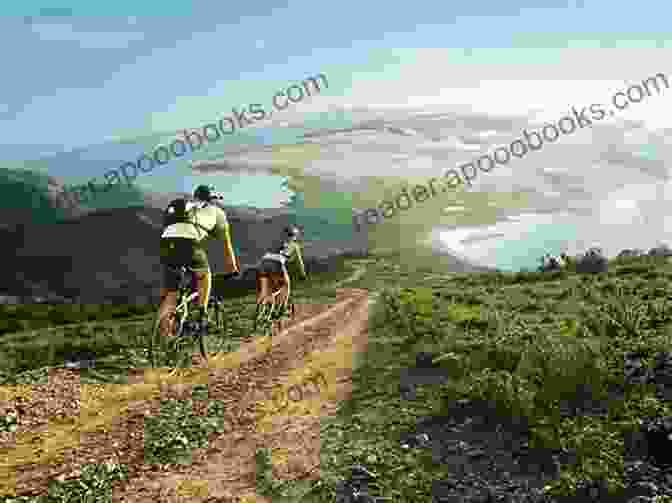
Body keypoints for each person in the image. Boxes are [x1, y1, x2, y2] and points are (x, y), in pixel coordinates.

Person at [157, 184, 239, 338]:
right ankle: (202, 315)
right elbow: (226, 245)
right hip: (189, 244)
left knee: (171, 295)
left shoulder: (186, 207)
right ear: (212, 200)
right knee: (204, 274)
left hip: (166, 243)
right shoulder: (217, 212)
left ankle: (165, 339)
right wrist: (232, 268)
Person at [256, 224, 307, 317]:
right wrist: (302, 274)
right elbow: (299, 263)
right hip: (277, 264)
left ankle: (260, 309)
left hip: (263, 264)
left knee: (265, 289)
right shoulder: (294, 246)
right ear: (294, 236)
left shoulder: (275, 241)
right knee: (286, 285)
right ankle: (280, 310)